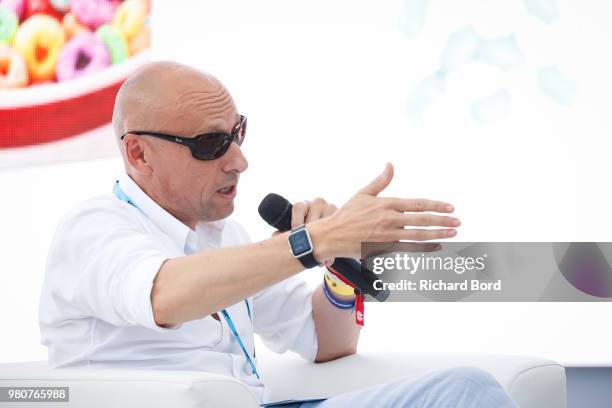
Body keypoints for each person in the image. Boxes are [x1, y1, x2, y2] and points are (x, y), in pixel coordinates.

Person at [39, 61, 516, 407]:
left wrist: (336, 268)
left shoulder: (227, 237)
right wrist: (311, 243)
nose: (239, 160)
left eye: (238, 133)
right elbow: (164, 294)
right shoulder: (94, 229)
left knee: (465, 390)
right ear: (139, 154)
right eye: (211, 144)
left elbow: (325, 342)